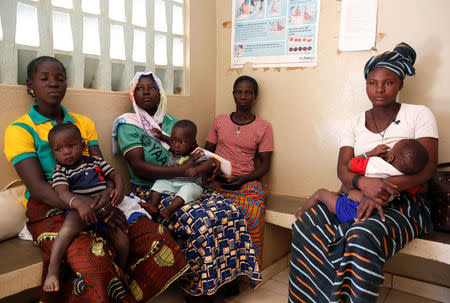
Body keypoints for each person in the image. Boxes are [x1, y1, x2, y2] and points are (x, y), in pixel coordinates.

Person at [4, 56, 189, 303]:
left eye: (59, 78)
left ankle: (127, 295)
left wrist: (111, 195)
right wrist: (83, 205)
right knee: (93, 259)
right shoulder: (20, 129)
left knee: (156, 238)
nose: (53, 84)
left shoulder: (82, 123)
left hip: (97, 198)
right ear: (30, 85)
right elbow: (38, 188)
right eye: (44, 79)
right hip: (53, 204)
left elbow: (100, 168)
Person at [289, 42, 438, 303]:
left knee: (361, 236)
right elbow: (342, 169)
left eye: (388, 83)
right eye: (372, 82)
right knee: (307, 223)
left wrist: (380, 191)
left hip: (405, 202)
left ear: (400, 84)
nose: (378, 89)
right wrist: (363, 184)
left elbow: (426, 170)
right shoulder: (354, 122)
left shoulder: (419, 114)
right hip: (355, 193)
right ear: (366, 84)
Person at [112, 71, 262, 302]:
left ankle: (225, 281)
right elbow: (139, 167)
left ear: (159, 92)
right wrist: (184, 171)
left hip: (187, 183)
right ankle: (198, 291)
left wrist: (207, 166)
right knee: (201, 222)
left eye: (151, 87)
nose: (146, 92)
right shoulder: (128, 125)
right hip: (153, 189)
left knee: (230, 210)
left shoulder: (171, 121)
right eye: (140, 88)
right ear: (133, 94)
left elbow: (192, 150)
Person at [43, 122, 130, 292]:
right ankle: (52, 271)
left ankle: (122, 269)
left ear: (83, 146)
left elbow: (114, 174)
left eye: (71, 146)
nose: (66, 152)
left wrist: (119, 189)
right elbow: (62, 192)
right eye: (59, 149)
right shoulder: (60, 171)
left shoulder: (95, 161)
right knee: (67, 230)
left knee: (122, 236)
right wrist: (80, 205)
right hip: (81, 211)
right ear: (53, 153)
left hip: (105, 208)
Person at [205, 75, 273, 268]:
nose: (243, 96)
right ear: (233, 95)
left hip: (246, 183)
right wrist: (215, 172)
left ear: (255, 96)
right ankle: (219, 268)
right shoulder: (219, 121)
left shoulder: (264, 127)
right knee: (213, 218)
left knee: (252, 213)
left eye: (248, 92)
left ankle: (245, 268)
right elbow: (207, 153)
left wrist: (242, 179)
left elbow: (265, 166)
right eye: (239, 92)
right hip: (217, 181)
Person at [295, 139, 429, 223]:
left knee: (321, 193)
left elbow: (349, 164)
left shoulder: (374, 163)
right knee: (340, 191)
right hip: (372, 213)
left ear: (391, 157)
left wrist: (370, 153)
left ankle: (301, 212)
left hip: (348, 208)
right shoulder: (403, 180)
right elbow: (420, 188)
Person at [147, 119, 218, 220]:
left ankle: (169, 210)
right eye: (173, 140)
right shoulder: (174, 147)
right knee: (160, 181)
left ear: (192, 143)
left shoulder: (196, 152)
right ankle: (152, 205)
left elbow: (211, 162)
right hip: (172, 182)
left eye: (182, 142)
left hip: (191, 184)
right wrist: (162, 136)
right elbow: (171, 140)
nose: (176, 145)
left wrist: (197, 170)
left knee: (188, 190)